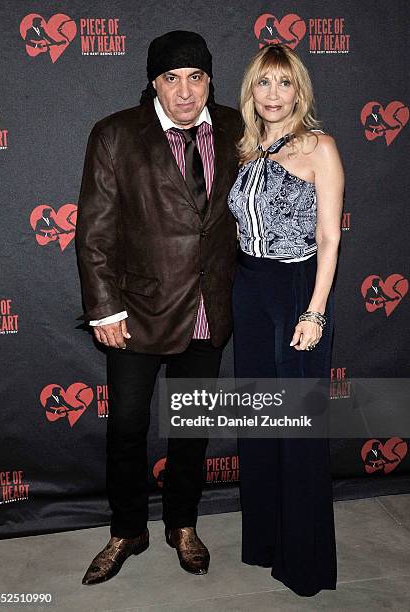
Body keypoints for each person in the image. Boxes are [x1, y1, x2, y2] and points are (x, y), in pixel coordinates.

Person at [75, 30, 242, 585]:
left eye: (196, 78)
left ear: (210, 80)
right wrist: (105, 309)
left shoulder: (238, 128)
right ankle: (127, 529)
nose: (185, 92)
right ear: (153, 82)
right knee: (126, 426)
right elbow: (94, 234)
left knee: (192, 429)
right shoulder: (116, 135)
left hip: (207, 308)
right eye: (172, 79)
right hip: (138, 310)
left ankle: (182, 525)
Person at [228, 43, 344, 596]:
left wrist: (314, 312)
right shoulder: (248, 150)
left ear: (299, 90)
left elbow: (328, 237)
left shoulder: (320, 147)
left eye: (284, 83)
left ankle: (305, 561)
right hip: (248, 290)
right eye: (263, 84)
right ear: (252, 91)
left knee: (296, 425)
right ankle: (267, 540)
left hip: (295, 288)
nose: (273, 95)